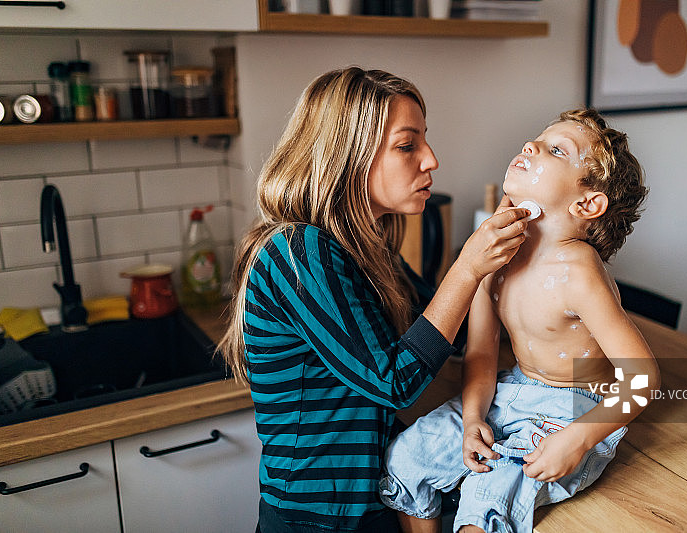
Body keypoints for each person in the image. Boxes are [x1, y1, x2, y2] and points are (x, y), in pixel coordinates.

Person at [217, 67, 533, 533]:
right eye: (407, 146)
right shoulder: (297, 252)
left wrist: (500, 271)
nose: (431, 159)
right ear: (348, 156)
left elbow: (447, 329)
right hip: (320, 519)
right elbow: (393, 380)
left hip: (374, 504)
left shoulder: (364, 247)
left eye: (424, 140)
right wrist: (468, 266)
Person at [379, 109, 661, 533]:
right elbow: (481, 352)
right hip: (510, 391)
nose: (530, 146)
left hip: (573, 408)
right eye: (536, 139)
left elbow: (643, 377)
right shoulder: (494, 255)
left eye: (556, 150)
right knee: (405, 458)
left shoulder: (579, 269)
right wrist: (473, 417)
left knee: (486, 495)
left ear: (587, 203)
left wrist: (577, 440)